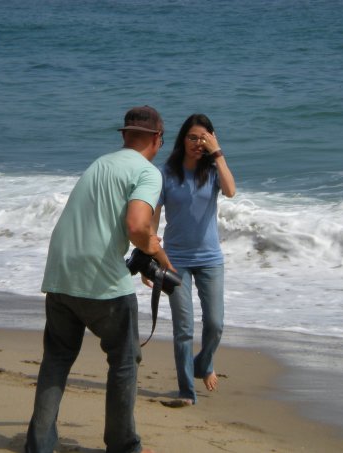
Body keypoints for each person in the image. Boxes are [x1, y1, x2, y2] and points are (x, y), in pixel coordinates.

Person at [25, 106, 170, 453]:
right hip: (101, 282)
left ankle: (39, 445)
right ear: (158, 139)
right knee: (123, 361)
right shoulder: (148, 173)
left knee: (57, 358)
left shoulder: (99, 164)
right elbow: (138, 227)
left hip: (60, 273)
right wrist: (163, 262)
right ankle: (123, 445)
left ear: (124, 136)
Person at [149, 113, 236, 406]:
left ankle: (203, 363)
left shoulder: (212, 170)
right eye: (192, 137)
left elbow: (231, 191)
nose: (197, 143)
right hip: (175, 261)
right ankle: (187, 391)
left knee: (215, 324)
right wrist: (151, 255)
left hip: (210, 259)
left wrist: (218, 153)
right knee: (183, 328)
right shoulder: (166, 173)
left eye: (204, 138)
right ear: (182, 138)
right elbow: (154, 214)